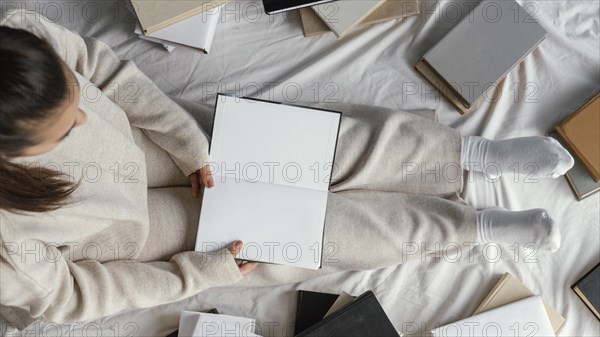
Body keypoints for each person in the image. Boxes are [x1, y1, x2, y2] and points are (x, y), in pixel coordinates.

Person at [0, 10, 574, 330]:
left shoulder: (23, 42)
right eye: (65, 127)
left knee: (324, 144)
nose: (82, 118)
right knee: (314, 236)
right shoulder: (8, 250)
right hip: (133, 233)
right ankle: (471, 229)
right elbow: (73, 296)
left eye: (77, 101)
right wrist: (198, 274)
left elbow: (110, 73)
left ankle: (470, 157)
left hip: (153, 136)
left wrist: (188, 145)